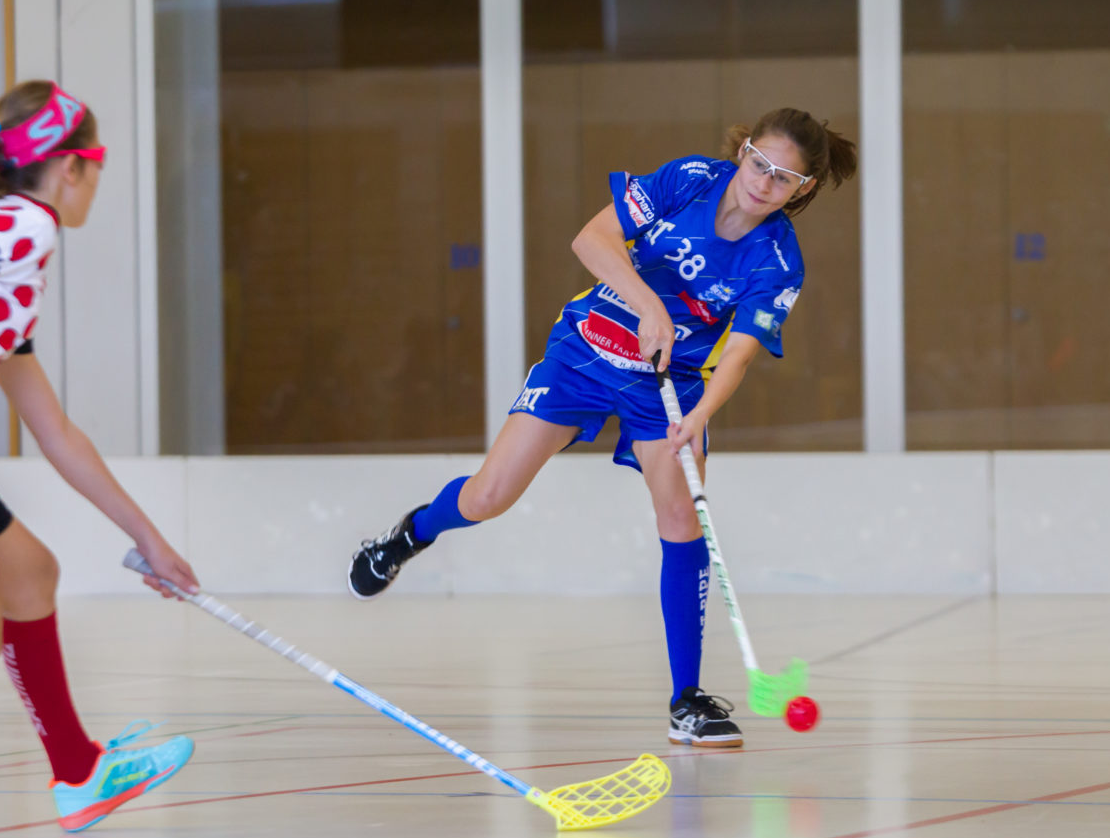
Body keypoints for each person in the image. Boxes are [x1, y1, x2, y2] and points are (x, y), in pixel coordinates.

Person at [350, 108, 857, 748]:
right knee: (488, 497)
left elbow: (741, 355)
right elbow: (590, 240)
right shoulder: (689, 179)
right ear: (744, 150)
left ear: (803, 189)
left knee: (682, 520)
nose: (764, 183)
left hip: (669, 385)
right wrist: (649, 305)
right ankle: (408, 535)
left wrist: (700, 417)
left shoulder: (778, 260)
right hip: (584, 354)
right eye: (760, 163)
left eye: (784, 178)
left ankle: (687, 700)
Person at [0, 80, 200, 831]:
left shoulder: (11, 265)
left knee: (31, 574)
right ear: (71, 166)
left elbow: (56, 432)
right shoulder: (27, 226)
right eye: (99, 163)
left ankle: (80, 774)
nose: (96, 182)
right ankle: (79, 773)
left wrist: (146, 537)